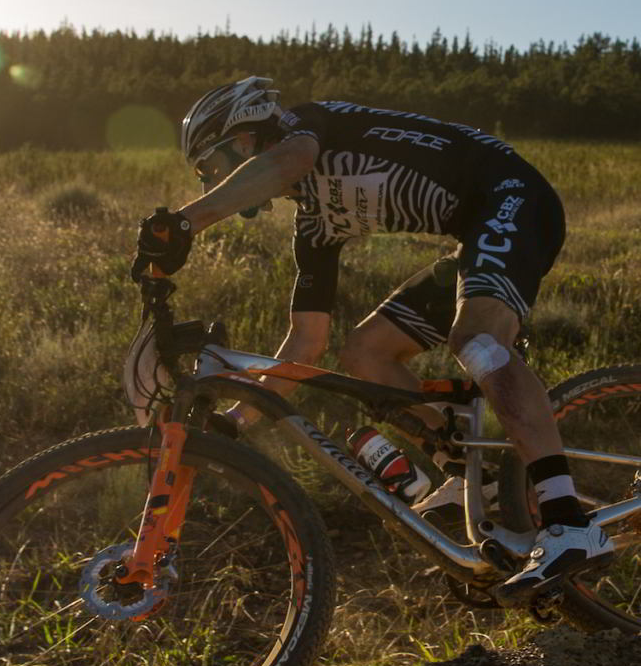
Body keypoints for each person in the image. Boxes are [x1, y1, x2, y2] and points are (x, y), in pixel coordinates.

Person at [131, 76, 608, 605]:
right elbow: (304, 347)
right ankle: (477, 475)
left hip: (512, 197)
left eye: (210, 169)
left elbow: (286, 162)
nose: (210, 187)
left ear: (243, 140)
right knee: (364, 354)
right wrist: (235, 423)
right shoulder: (314, 224)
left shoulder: (305, 127)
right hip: (476, 233)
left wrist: (186, 223)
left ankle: (568, 522)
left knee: (475, 336)